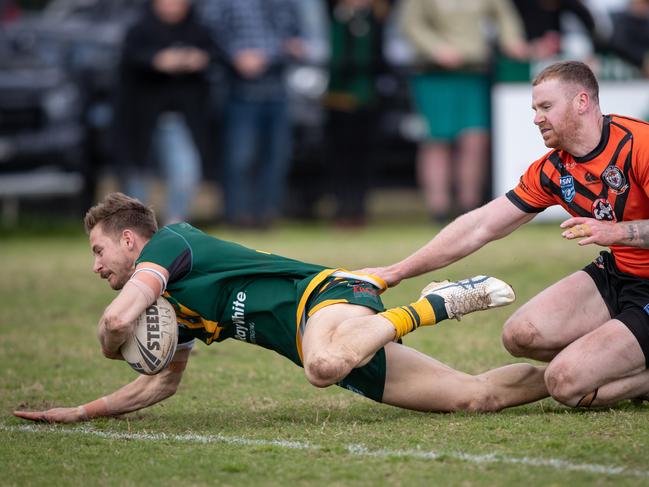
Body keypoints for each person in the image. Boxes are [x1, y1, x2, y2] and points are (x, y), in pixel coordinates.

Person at [13, 193, 548, 423]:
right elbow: (159, 383)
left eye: (98, 250)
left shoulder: (171, 244)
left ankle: (433, 305)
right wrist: (81, 413)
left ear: (131, 240)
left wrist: (111, 347)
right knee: (475, 399)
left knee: (322, 367)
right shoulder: (172, 309)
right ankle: (589, 374)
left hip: (327, 297)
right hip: (328, 336)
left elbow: (116, 322)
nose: (95, 266)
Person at [364, 60, 649, 408]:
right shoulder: (554, 170)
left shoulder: (639, 144)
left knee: (565, 385)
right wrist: (396, 272)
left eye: (546, 107)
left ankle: (607, 369)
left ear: (582, 102)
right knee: (520, 335)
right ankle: (613, 359)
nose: (536, 118)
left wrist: (618, 231)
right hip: (620, 273)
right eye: (534, 108)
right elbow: (479, 226)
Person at [399, 0, 528, 222]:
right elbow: (411, 24)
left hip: (473, 71)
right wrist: (436, 48)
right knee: (437, 140)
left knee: (475, 140)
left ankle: (470, 209)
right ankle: (438, 209)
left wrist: (512, 41)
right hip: (434, 74)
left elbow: (504, 15)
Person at [200, 0, 304, 229]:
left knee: (277, 156)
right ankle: (237, 215)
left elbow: (296, 38)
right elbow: (210, 31)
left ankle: (267, 214)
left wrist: (277, 51)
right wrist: (235, 55)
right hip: (239, 91)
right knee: (240, 157)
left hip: (278, 89)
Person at [112, 0, 214, 224]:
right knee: (137, 180)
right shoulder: (139, 31)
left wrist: (197, 60)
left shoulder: (198, 30)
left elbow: (215, 57)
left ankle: (174, 230)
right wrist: (156, 61)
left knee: (186, 174)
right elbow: (131, 62)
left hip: (179, 119)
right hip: (139, 122)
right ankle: (136, 233)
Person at [323, 0, 390, 227]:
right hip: (338, 100)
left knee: (363, 159)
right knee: (340, 159)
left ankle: (358, 209)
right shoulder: (333, 18)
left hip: (367, 100)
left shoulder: (376, 19)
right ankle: (341, 208)